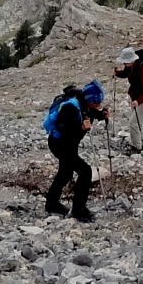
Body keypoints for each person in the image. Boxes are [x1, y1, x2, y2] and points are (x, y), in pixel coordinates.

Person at [44, 79, 107, 222]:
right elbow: (67, 134)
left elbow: (91, 112)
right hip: (60, 144)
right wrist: (82, 128)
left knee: (65, 173)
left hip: (66, 145)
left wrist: (101, 115)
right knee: (85, 171)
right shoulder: (70, 109)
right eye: (97, 102)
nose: (98, 105)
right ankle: (78, 209)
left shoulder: (83, 103)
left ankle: (51, 204)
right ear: (89, 99)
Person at [113, 46, 143, 151]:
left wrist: (138, 101)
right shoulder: (131, 66)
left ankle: (136, 147)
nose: (124, 64)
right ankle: (140, 144)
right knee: (138, 123)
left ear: (132, 60)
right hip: (136, 98)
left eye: (125, 62)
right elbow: (126, 73)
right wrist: (117, 73)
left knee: (133, 123)